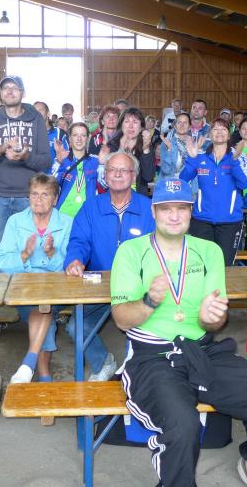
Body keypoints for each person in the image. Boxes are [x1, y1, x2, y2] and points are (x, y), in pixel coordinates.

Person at [111, 176, 247, 487]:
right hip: (153, 357)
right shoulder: (131, 251)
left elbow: (213, 323)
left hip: (203, 350)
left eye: (181, 208)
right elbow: (121, 319)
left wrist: (212, 318)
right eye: (166, 208)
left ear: (191, 211)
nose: (174, 216)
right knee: (183, 426)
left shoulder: (209, 251)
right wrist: (149, 301)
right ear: (154, 212)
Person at [64, 152, 155, 381]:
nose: (117, 174)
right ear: (105, 175)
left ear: (133, 176)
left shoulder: (149, 208)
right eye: (112, 170)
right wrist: (75, 260)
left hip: (139, 287)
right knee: (76, 326)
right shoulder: (91, 207)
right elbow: (79, 241)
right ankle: (104, 362)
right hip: (101, 286)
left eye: (123, 170)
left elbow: (159, 248)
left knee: (151, 325)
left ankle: (140, 369)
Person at [0, 174, 73, 383]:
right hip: (23, 288)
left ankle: (30, 365)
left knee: (43, 305)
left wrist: (51, 253)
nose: (38, 199)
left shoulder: (67, 222)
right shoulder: (15, 221)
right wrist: (24, 255)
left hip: (56, 287)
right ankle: (40, 372)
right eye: (34, 194)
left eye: (45, 194)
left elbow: (70, 265)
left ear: (55, 199)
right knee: (41, 307)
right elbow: (1, 261)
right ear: (28, 197)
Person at [0, 76, 51, 270]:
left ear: (23, 93)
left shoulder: (35, 119)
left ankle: (26, 290)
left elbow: (46, 161)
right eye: (6, 88)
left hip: (28, 197)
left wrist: (25, 157)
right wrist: (1, 150)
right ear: (1, 94)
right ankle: (0, 290)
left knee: (30, 250)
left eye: (15, 88)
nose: (10, 91)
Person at [180, 117, 247, 265]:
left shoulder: (239, 157)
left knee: (224, 265)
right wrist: (192, 158)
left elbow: (244, 184)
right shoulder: (200, 157)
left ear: (229, 135)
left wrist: (234, 162)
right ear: (210, 134)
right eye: (215, 129)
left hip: (230, 222)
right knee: (200, 265)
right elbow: (183, 180)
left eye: (223, 129)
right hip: (201, 220)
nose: (219, 132)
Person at [103, 107, 155, 196]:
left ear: (141, 127)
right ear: (121, 125)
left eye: (135, 122)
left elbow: (148, 177)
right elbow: (105, 177)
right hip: (115, 196)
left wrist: (146, 149)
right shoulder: (112, 146)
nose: (130, 126)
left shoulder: (146, 145)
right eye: (127, 121)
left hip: (138, 197)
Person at [52, 122, 99, 218]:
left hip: (88, 216)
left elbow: (105, 185)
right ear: (70, 139)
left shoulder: (96, 161)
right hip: (63, 216)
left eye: (83, 135)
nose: (79, 139)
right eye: (75, 135)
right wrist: (58, 161)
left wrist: (105, 163)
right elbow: (51, 183)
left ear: (87, 138)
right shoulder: (62, 160)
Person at [159, 112, 193, 179]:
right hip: (171, 182)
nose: (182, 125)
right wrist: (169, 150)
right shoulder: (166, 143)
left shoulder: (194, 145)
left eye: (185, 122)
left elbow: (195, 171)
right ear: (175, 126)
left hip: (188, 183)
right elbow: (166, 170)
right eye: (179, 122)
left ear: (189, 127)